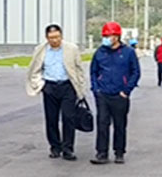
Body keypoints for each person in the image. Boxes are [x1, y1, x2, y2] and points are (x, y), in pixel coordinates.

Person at [26, 23, 89, 161]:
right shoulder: (40, 50)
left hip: (67, 86)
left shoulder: (71, 49)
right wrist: (40, 85)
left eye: (57, 37)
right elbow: (34, 68)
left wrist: (81, 88)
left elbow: (79, 69)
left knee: (68, 118)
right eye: (51, 38)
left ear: (61, 36)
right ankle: (55, 147)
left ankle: (68, 149)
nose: (55, 40)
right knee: (51, 119)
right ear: (46, 38)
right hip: (50, 87)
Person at [89, 21, 141, 164]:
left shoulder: (128, 53)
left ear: (117, 36)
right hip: (103, 94)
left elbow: (135, 72)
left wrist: (126, 90)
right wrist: (96, 89)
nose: (106, 38)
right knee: (102, 124)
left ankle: (119, 152)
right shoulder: (100, 52)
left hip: (120, 94)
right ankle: (101, 153)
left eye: (109, 36)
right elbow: (93, 71)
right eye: (105, 36)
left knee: (120, 124)